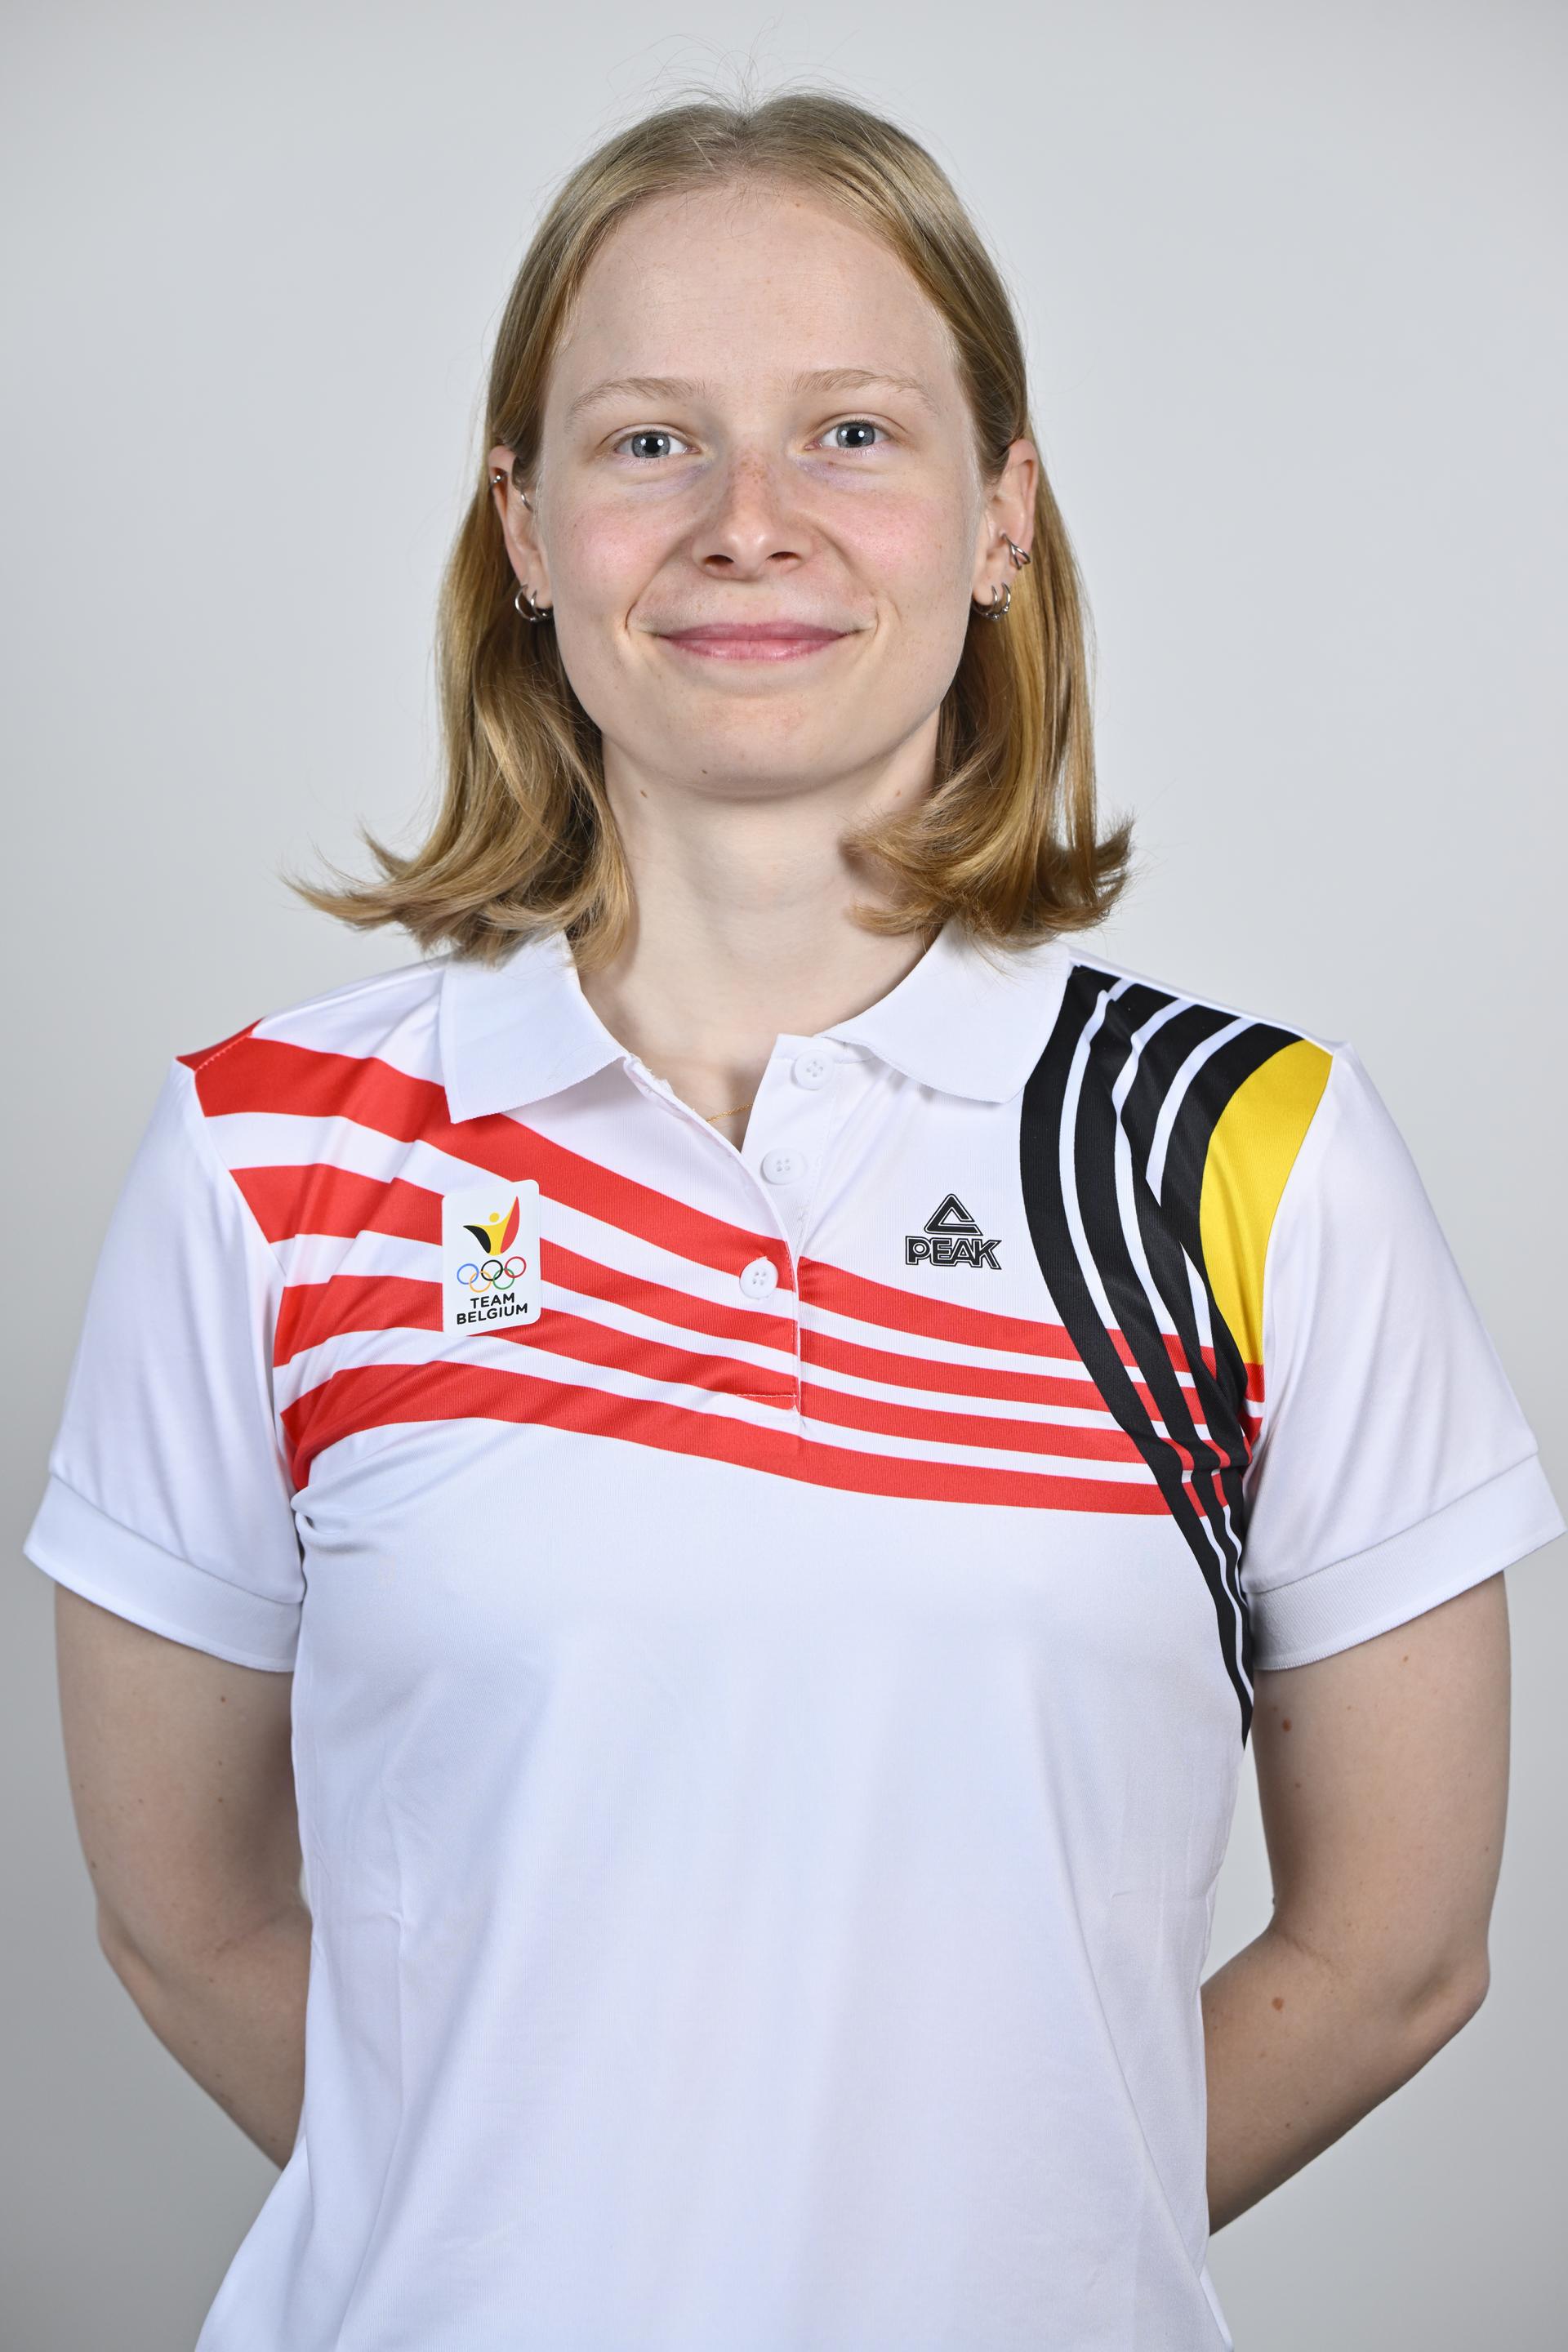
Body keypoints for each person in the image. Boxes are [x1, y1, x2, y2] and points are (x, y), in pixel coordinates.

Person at [24, 85, 1562, 2352]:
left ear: (1002, 517)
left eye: (853, 432)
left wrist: (981, 2260)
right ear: (524, 525)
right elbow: (184, 1920)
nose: (751, 524)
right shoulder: (268, 1157)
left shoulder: (1247, 1156)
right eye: (649, 441)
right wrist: (539, 2236)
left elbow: (1399, 1949)